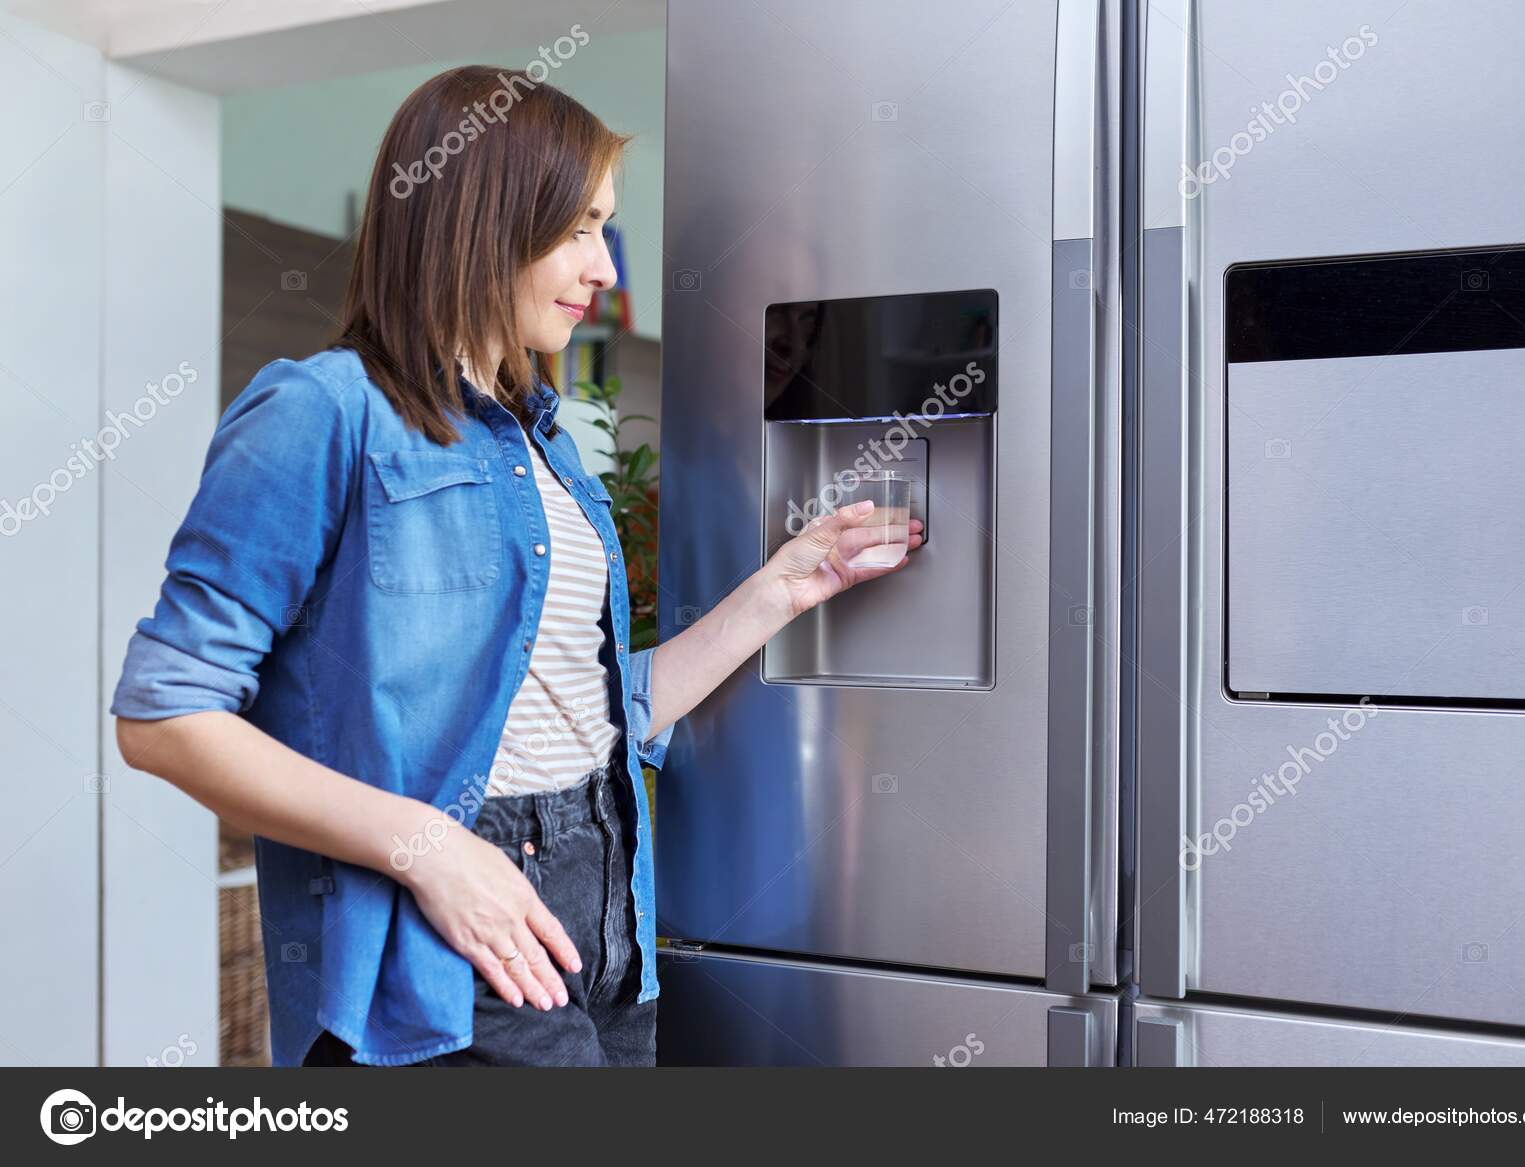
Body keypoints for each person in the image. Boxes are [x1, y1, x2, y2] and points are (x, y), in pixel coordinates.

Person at [110, 66, 921, 1067]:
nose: (605, 270)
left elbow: (599, 711)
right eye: (578, 229)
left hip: (611, 920)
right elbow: (163, 717)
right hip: (441, 937)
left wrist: (786, 586)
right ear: (484, 220)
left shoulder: (547, 450)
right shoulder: (326, 413)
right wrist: (432, 849)